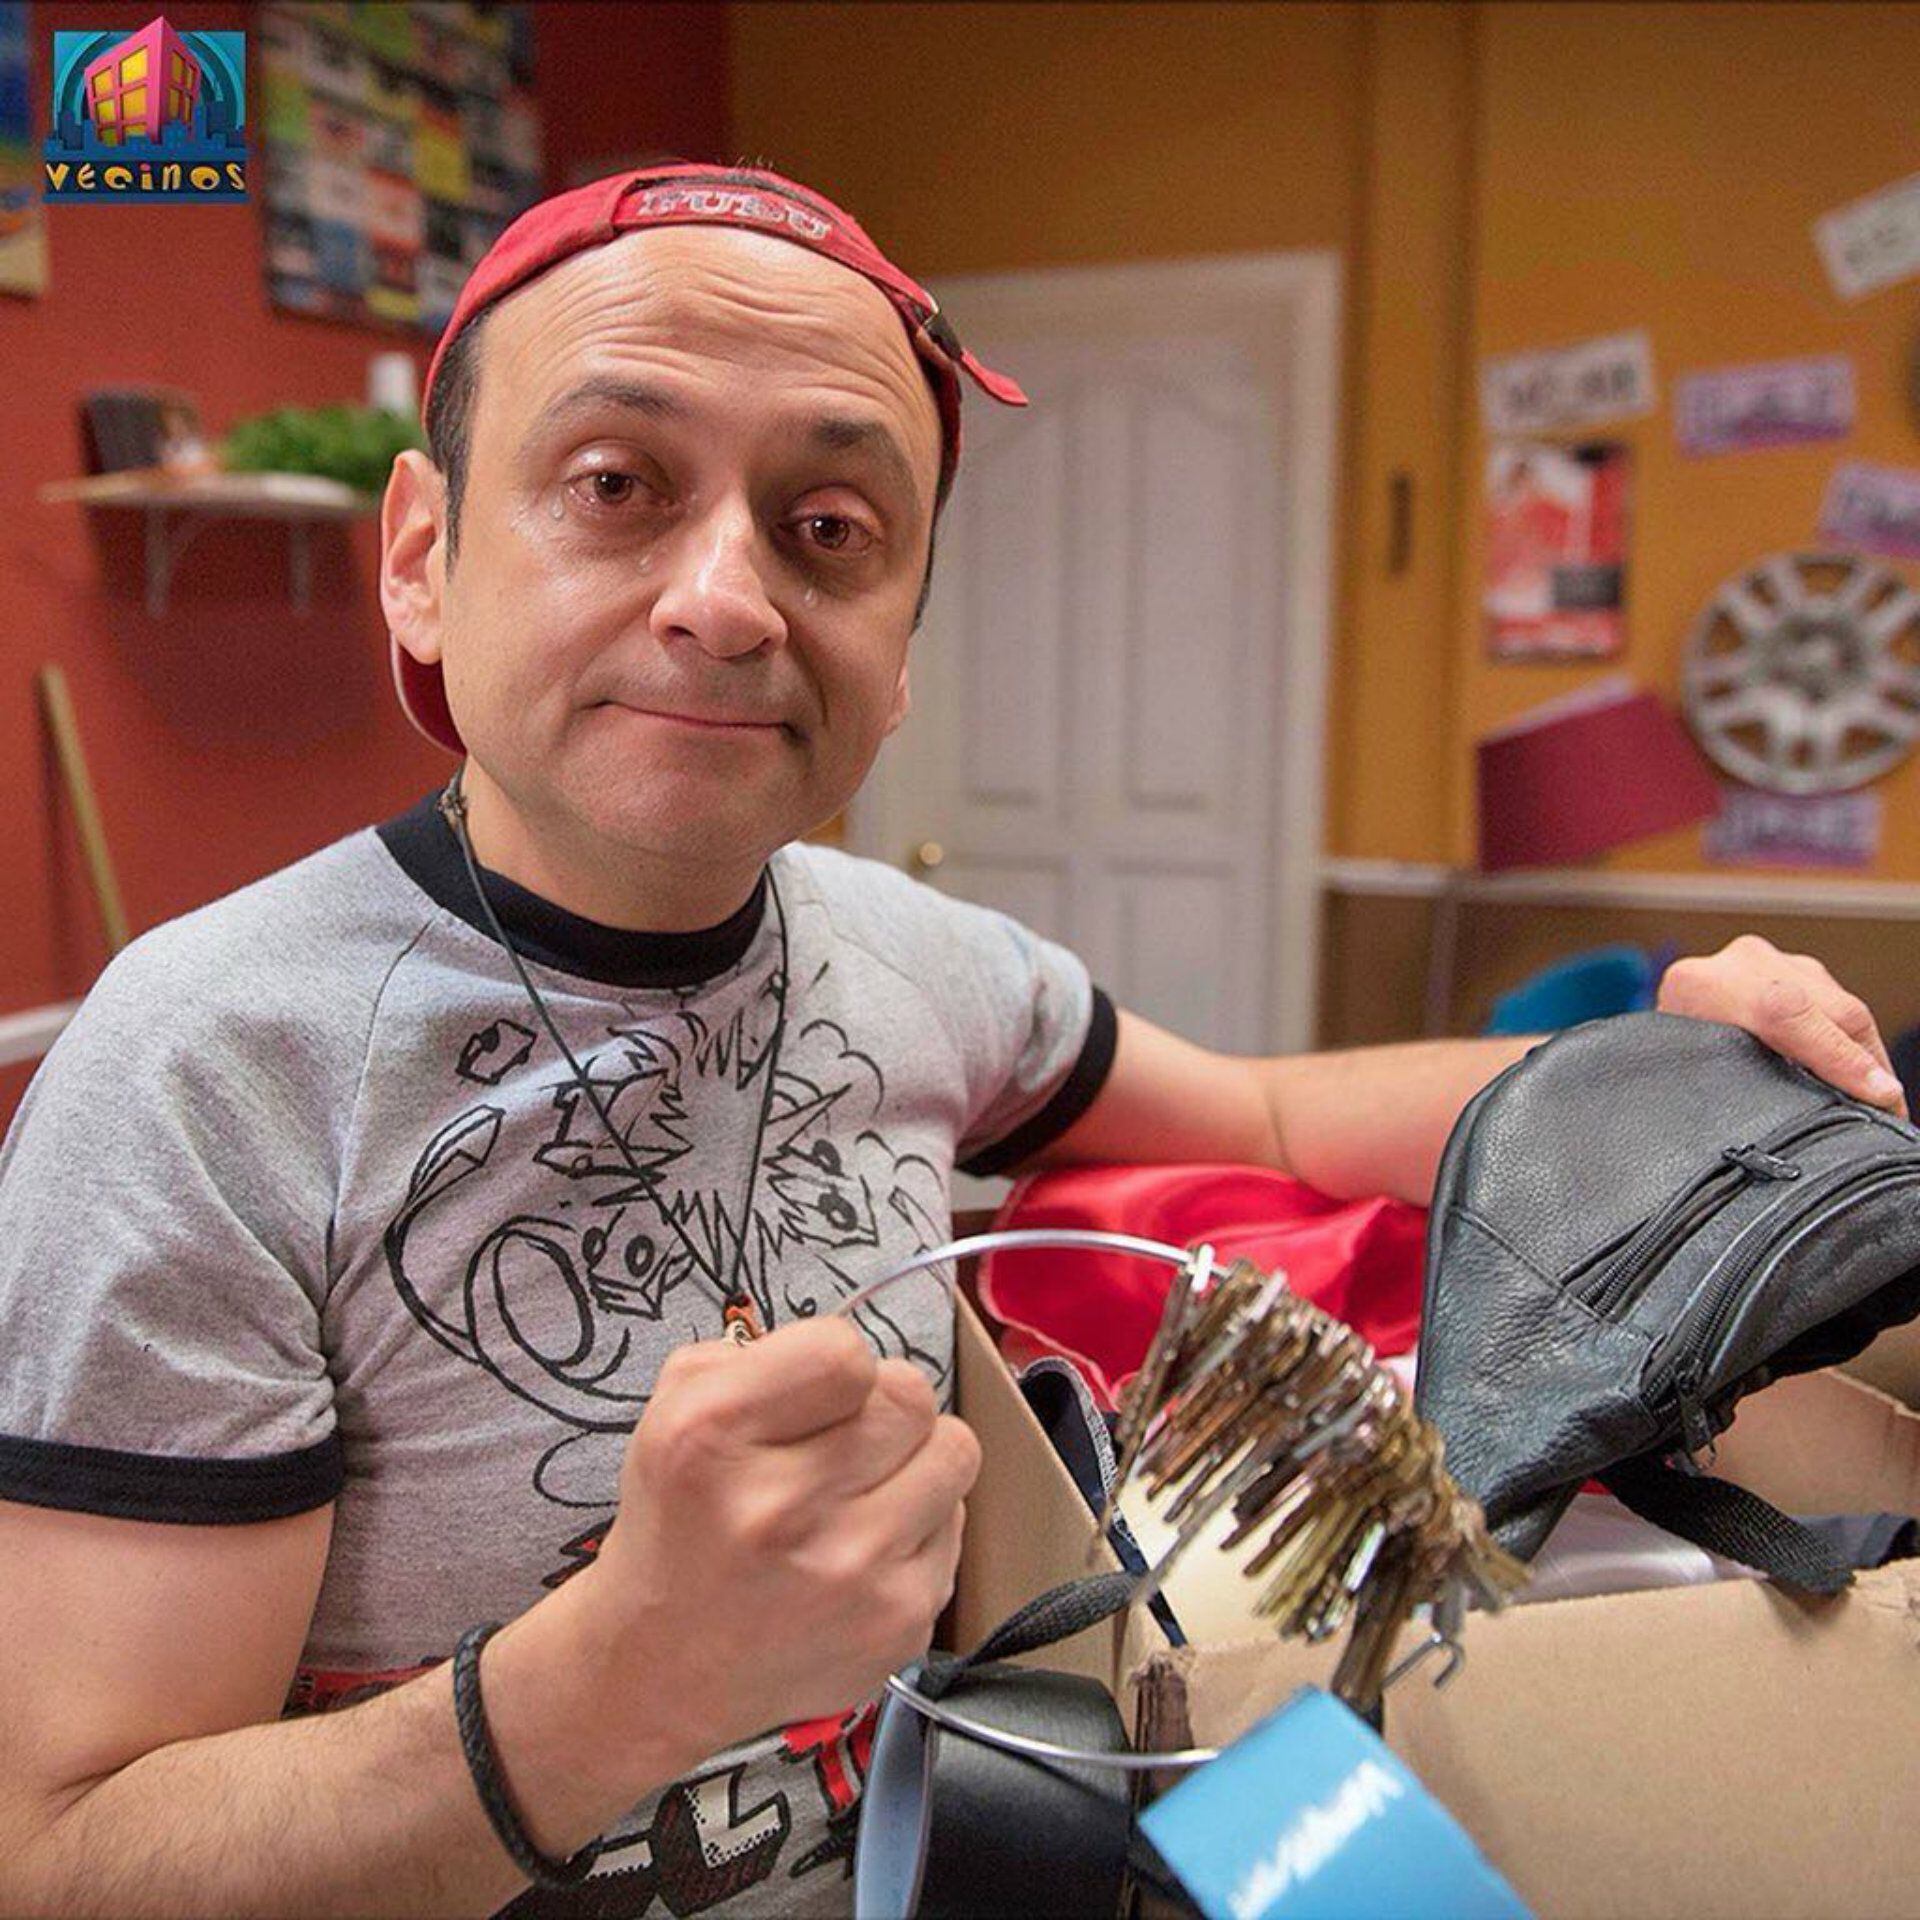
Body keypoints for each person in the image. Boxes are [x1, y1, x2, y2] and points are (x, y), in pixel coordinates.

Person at [0, 163, 1906, 1920]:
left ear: (901, 646)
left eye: (828, 528)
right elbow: (67, 1860)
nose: (725, 601)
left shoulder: (907, 955)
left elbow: (1267, 1112)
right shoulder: (208, 1070)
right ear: (422, 556)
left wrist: (1655, 1059)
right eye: (614, 485)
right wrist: (612, 1684)